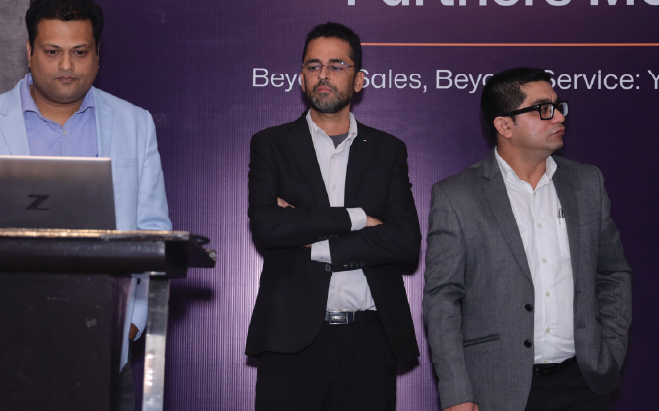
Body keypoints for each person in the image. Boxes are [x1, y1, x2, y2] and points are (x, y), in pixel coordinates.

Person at [0, 0, 170, 411]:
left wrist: (133, 321)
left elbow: (154, 228)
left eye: (79, 52)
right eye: (52, 51)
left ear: (98, 55)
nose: (66, 66)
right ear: (29, 52)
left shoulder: (134, 124)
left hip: (102, 337)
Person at [423, 67, 632, 411]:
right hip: (497, 387)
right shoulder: (457, 196)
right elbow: (441, 300)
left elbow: (613, 273)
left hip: (584, 384)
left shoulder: (586, 183)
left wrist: (608, 349)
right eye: (543, 108)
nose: (559, 115)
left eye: (558, 105)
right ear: (504, 125)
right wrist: (457, 392)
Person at [245, 22, 421, 410]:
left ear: (359, 80)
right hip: (291, 339)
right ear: (301, 78)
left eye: (337, 66)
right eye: (313, 66)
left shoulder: (388, 150)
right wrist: (358, 218)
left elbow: (406, 242)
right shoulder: (271, 144)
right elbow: (269, 226)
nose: (323, 75)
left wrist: (315, 238)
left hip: (371, 340)